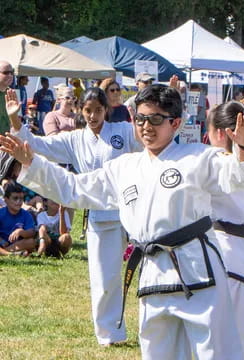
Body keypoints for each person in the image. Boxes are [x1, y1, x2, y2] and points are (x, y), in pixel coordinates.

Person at [2, 84, 244, 360]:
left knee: (216, 353)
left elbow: (237, 177)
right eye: (140, 119)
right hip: (152, 275)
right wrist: (32, 164)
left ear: (175, 123)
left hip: (198, 272)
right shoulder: (124, 168)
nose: (146, 126)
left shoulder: (199, 157)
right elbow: (74, 189)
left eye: (155, 119)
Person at [5, 87, 143, 347]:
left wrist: (143, 119)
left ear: (107, 110)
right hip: (101, 214)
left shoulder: (122, 130)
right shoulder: (75, 139)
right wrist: (15, 119)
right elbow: (38, 145)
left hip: (133, 210)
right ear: (81, 110)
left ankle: (152, 329)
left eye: (98, 111)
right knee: (104, 277)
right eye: (88, 111)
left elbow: (145, 141)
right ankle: (110, 334)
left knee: (148, 274)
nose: (92, 116)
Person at [206, 100, 244, 355]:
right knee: (235, 336)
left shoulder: (215, 160)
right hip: (243, 251)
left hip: (221, 249)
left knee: (217, 338)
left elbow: (236, 172)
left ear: (219, 132)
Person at [0, 183, 36, 256]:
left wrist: (21, 232)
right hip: (2, 244)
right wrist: (1, 241)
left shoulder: (26, 214)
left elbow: (31, 232)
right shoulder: (1, 213)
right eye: (15, 198)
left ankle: (5, 253)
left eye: (21, 198)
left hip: (17, 244)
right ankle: (10, 254)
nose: (19, 201)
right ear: (6, 200)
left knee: (31, 242)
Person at [0, 60, 14, 135]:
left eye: (12, 72)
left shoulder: (11, 93)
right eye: (5, 73)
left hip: (6, 139)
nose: (10, 75)